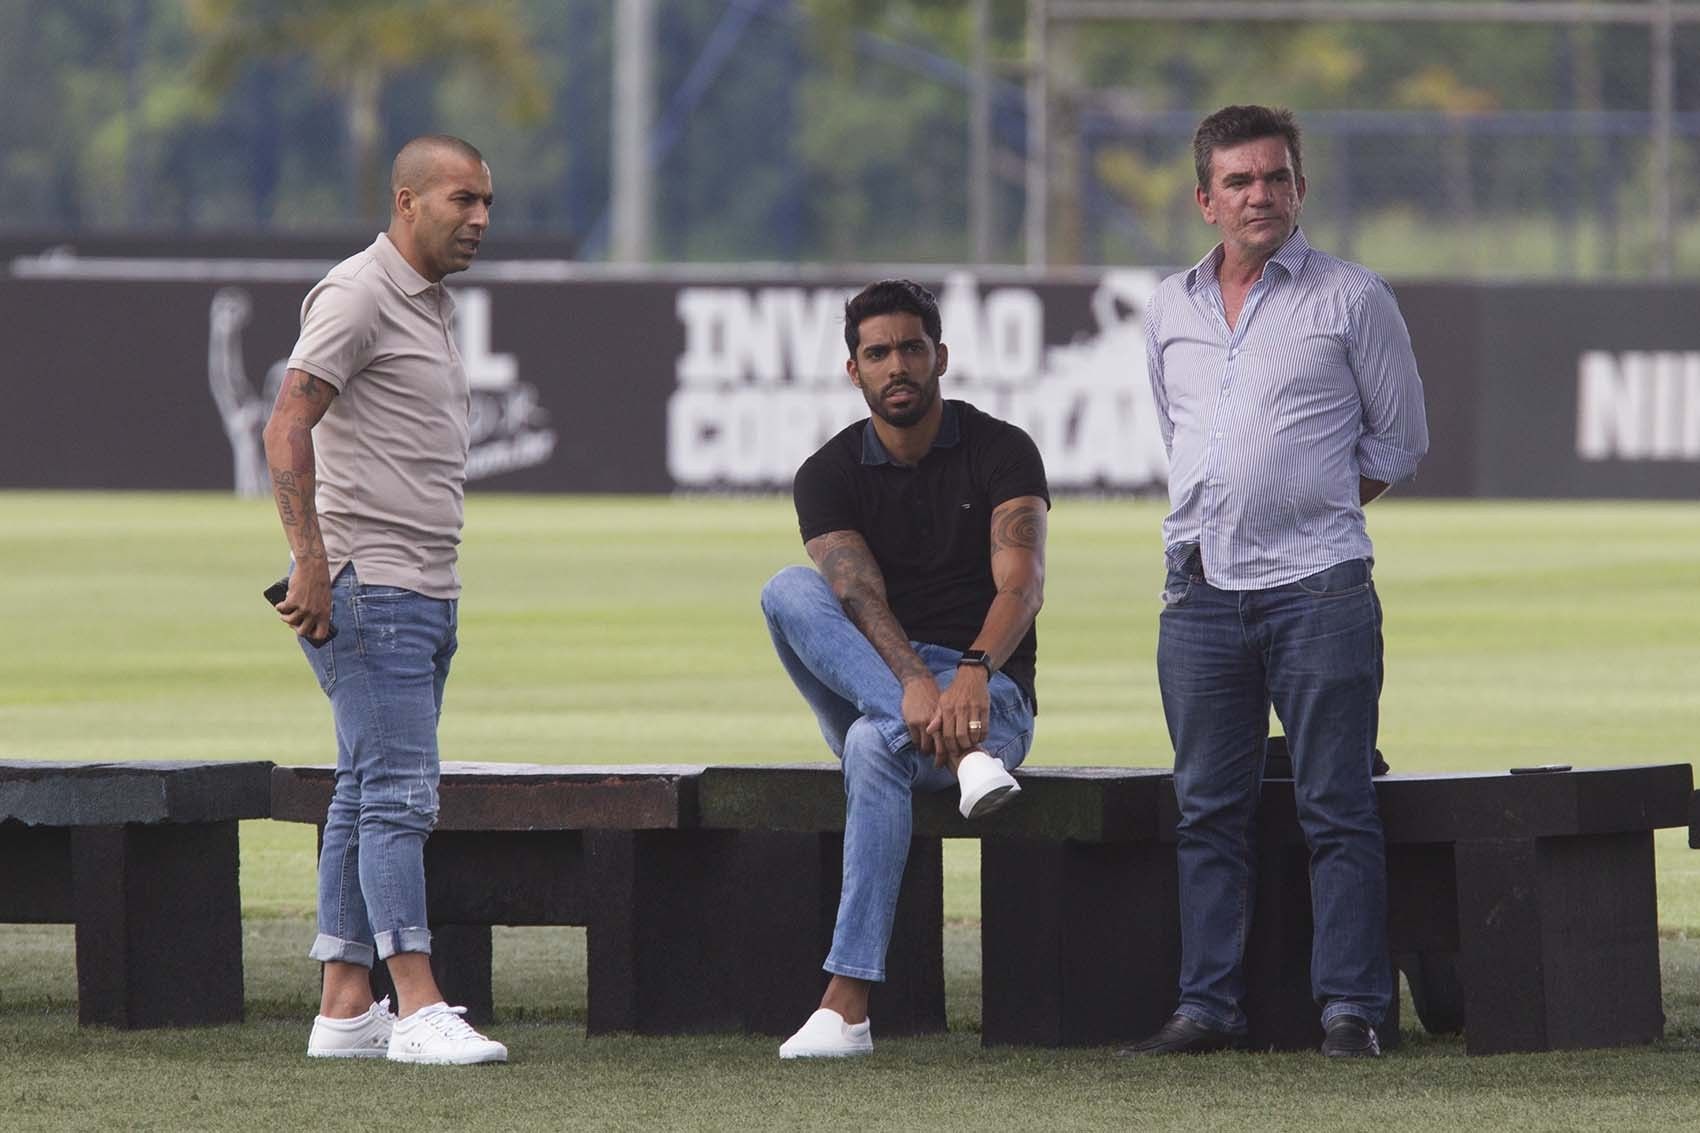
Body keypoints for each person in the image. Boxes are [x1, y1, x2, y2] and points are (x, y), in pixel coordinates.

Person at [1125, 106, 1429, 1059]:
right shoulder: (1169, 308)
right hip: (1199, 591)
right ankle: (1207, 1007)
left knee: (1335, 803)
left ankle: (1352, 1012)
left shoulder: (1352, 298)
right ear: (1205, 199)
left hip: (1320, 590)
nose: (1260, 194)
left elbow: (1401, 441)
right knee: (1206, 809)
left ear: (1302, 187)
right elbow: (1186, 443)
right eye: (1240, 181)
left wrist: (1311, 510)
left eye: (1276, 177)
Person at [263, 134, 507, 1065]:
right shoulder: (360, 292)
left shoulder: (429, 301)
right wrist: (309, 555)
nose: (479, 218)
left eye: (487, 202)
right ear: (406, 201)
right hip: (373, 584)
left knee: (367, 791)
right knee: (402, 794)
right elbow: (288, 420)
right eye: (460, 200)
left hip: (422, 586)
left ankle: (343, 1005)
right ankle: (417, 1004)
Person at [760, 279, 1050, 1059]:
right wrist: (913, 687)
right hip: (887, 678)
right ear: (852, 370)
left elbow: (1020, 584)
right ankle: (963, 759)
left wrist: (972, 671)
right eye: (878, 351)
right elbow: (855, 595)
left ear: (941, 356)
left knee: (868, 747)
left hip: (993, 693)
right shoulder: (827, 472)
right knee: (787, 589)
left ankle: (845, 1006)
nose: (898, 365)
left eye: (912, 348)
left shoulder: (1001, 448)